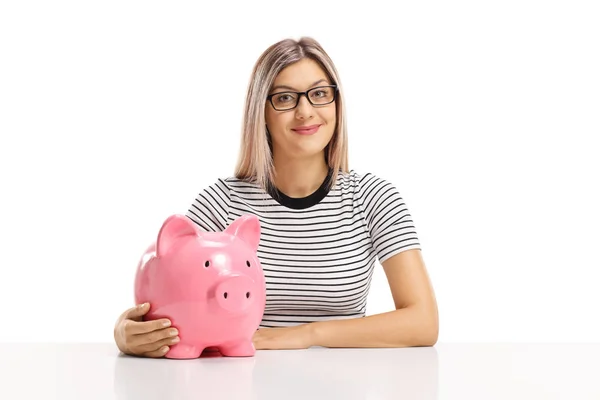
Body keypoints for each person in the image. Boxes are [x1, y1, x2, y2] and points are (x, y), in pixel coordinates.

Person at [114, 36, 439, 358]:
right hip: (240, 377)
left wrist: (308, 334)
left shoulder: (373, 198)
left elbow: (423, 322)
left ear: (337, 105)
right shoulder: (221, 202)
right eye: (285, 98)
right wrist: (126, 332)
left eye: (320, 94)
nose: (305, 111)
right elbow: (167, 299)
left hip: (344, 381)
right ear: (262, 112)